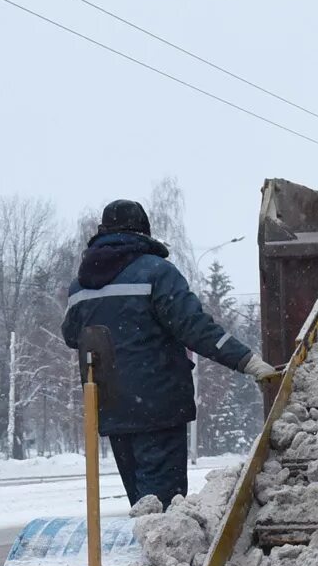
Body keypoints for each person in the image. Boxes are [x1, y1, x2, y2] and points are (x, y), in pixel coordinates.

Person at [61, 199, 277, 511]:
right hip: (158, 407)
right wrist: (248, 362)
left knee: (142, 508)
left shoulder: (80, 285)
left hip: (111, 408)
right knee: (165, 512)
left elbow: (72, 336)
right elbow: (195, 328)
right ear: (143, 231)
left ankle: (148, 553)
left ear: (103, 232)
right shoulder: (157, 273)